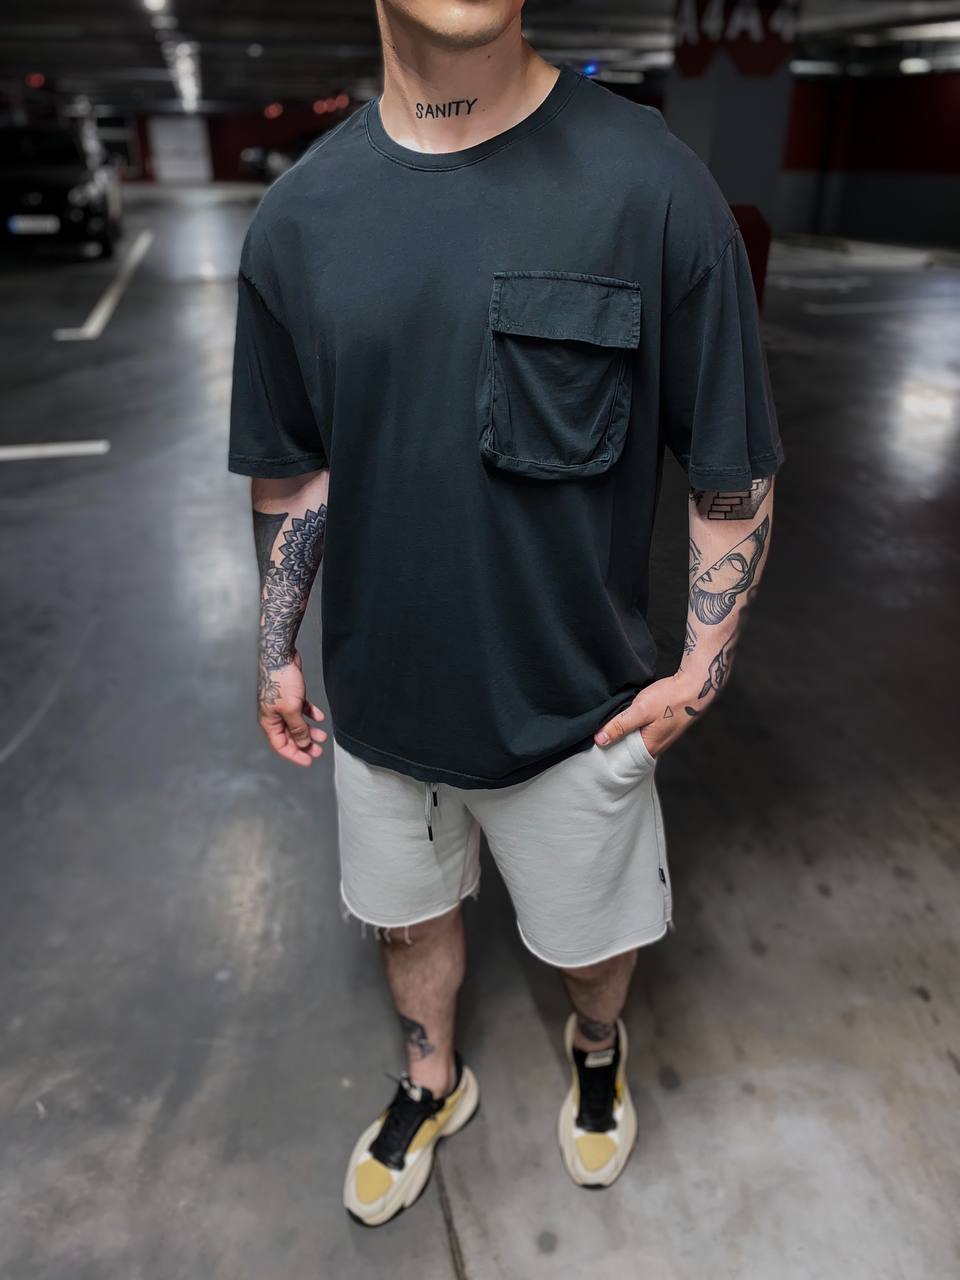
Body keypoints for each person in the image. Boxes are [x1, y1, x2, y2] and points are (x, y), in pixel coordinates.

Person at [228, 0, 783, 1228]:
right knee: (406, 926)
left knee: (592, 947)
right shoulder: (300, 219)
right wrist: (276, 650)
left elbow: (731, 469)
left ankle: (596, 1047)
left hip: (577, 716)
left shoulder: (650, 187)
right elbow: (295, 470)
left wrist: (700, 667)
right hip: (381, 709)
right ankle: (432, 1078)